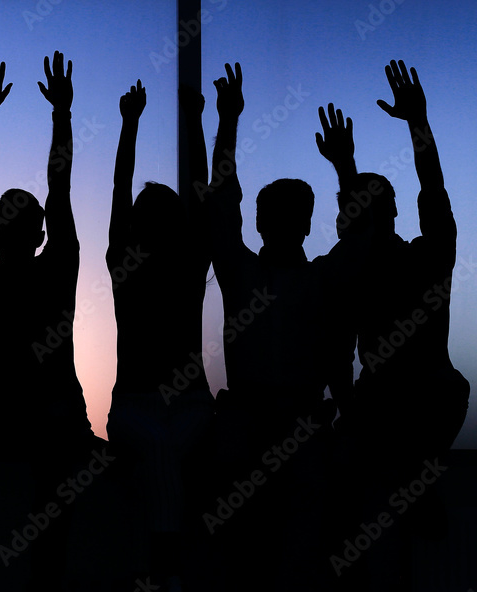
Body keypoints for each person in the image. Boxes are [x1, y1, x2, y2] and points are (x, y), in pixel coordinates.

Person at [0, 51, 101, 590]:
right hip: (41, 416)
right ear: (35, 235)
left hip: (34, 416)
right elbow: (48, 191)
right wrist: (59, 114)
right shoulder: (46, 268)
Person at [317, 61, 470, 591]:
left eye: (348, 212)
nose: (342, 220)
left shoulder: (407, 259)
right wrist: (412, 126)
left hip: (409, 400)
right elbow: (425, 199)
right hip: (406, 403)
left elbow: (429, 196)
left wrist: (414, 126)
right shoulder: (414, 257)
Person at [204, 62, 345, 591]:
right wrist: (228, 122)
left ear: (307, 222)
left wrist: (346, 166)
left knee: (292, 552)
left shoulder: (312, 278)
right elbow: (222, 204)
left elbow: (223, 205)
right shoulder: (249, 273)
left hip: (293, 425)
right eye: (278, 213)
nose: (286, 223)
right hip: (253, 423)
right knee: (255, 550)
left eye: (293, 214)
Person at [103, 79, 214, 590]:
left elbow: (201, 191)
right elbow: (120, 190)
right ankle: (166, 572)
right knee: (160, 448)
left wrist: (194, 119)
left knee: (161, 450)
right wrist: (130, 125)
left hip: (189, 403)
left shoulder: (189, 265)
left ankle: (153, 571)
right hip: (134, 405)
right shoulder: (125, 263)